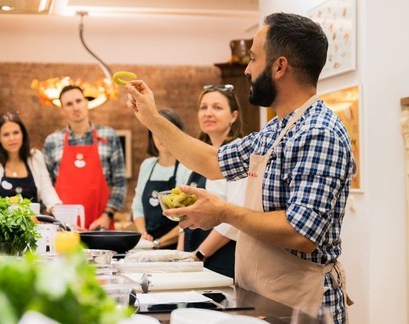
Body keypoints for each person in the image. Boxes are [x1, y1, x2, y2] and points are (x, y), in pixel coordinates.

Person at [124, 12, 354, 323]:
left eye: (254, 59)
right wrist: (152, 119)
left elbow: (300, 232)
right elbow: (211, 161)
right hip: (263, 298)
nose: (246, 69)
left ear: (279, 66)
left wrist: (223, 212)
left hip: (304, 304)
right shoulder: (275, 131)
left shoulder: (319, 132)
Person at [177, 84, 247, 278]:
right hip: (194, 259)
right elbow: (186, 211)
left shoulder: (239, 156)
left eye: (217, 107)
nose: (208, 113)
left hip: (220, 260)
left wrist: (200, 254)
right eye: (203, 107)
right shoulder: (200, 156)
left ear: (233, 116)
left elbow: (234, 218)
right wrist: (181, 255)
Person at [43, 85, 126, 230]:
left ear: (86, 103)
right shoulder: (52, 141)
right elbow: (45, 187)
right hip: (64, 230)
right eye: (69, 104)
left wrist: (107, 216)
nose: (75, 107)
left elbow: (120, 184)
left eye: (78, 101)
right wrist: (61, 220)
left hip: (100, 228)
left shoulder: (109, 136)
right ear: (62, 110)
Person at [0, 112, 62, 214]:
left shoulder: (35, 158)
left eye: (16, 133)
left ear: (23, 134)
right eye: (6, 134)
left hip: (34, 227)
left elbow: (47, 191)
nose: (12, 138)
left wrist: (58, 210)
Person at [132, 108, 191, 250]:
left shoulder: (187, 167)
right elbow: (138, 207)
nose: (161, 136)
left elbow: (189, 218)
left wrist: (158, 243)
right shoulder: (147, 165)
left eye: (166, 129)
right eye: (156, 130)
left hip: (176, 247)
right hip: (148, 245)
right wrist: (143, 234)